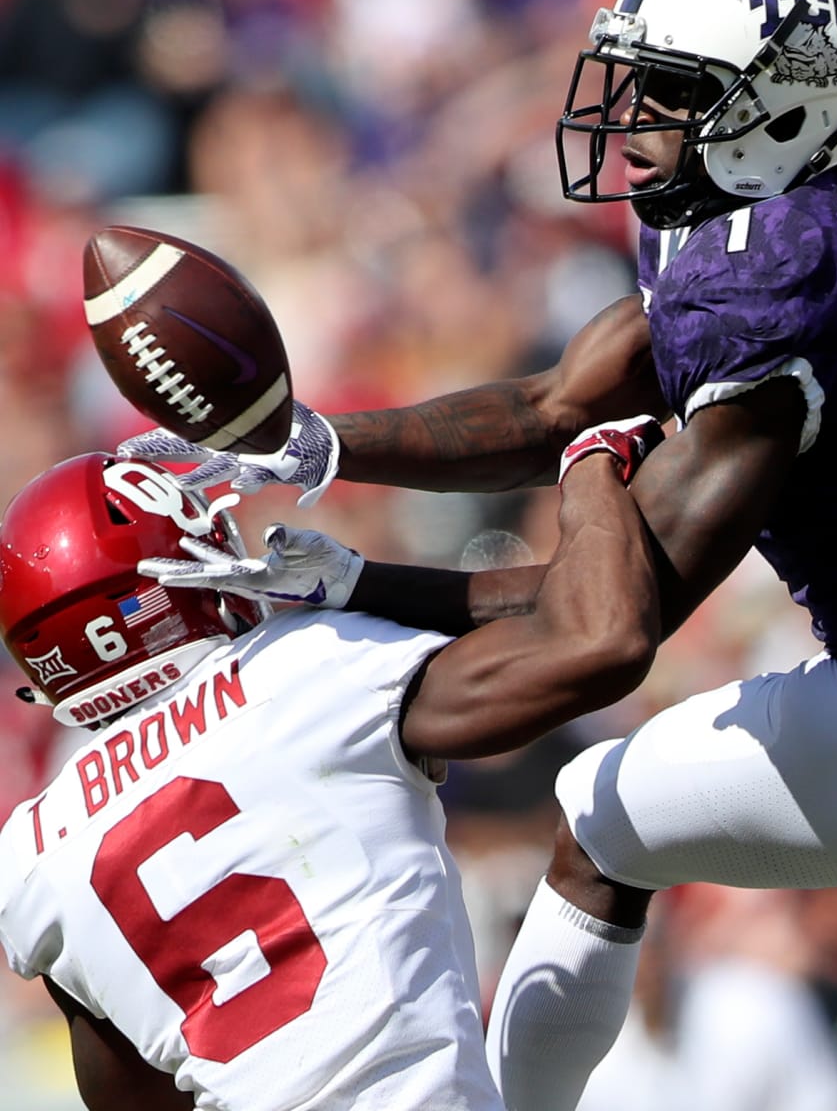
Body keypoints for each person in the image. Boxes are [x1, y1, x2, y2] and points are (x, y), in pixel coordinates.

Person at [118, 0, 837, 1111]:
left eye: (674, 93)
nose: (635, 119)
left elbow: (604, 632)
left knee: (597, 824)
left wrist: (379, 578)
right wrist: (309, 443)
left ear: (784, 107)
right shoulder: (790, 206)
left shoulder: (773, 276)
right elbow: (558, 404)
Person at [0, 416, 662, 1111]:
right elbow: (600, 638)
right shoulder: (304, 666)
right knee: (608, 807)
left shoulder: (33, 857)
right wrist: (590, 457)